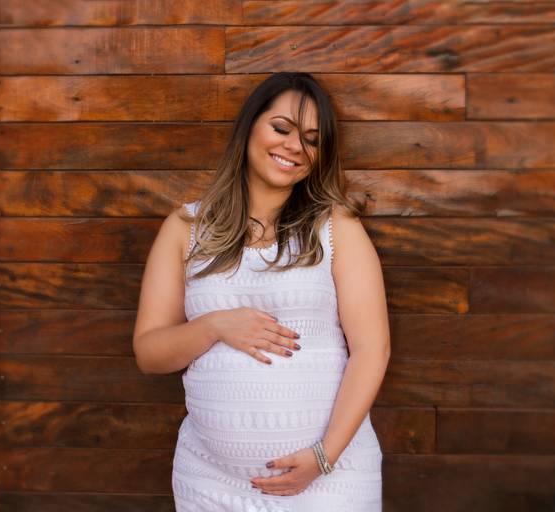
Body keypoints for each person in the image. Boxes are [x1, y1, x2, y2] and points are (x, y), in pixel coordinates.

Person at [132, 72, 391, 511]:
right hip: (211, 482)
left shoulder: (337, 228)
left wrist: (325, 457)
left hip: (331, 478)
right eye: (282, 128)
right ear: (250, 125)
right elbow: (149, 353)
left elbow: (372, 349)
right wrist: (215, 326)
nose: (295, 146)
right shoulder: (186, 228)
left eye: (312, 139)